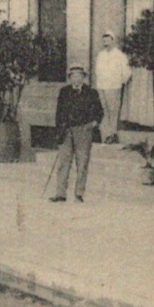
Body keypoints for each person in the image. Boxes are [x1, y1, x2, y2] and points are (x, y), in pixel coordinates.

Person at [49, 65, 104, 203]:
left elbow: (99, 112)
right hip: (66, 131)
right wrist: (59, 132)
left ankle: (79, 194)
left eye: (79, 75)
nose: (76, 78)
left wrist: (93, 124)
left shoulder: (91, 93)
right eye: (73, 76)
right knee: (64, 163)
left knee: (82, 163)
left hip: (84, 131)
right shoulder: (64, 92)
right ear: (69, 78)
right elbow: (59, 113)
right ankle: (60, 194)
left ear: (83, 77)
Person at [93, 31, 132, 144]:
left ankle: (112, 134)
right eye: (104, 40)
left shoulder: (120, 55)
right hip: (101, 86)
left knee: (113, 110)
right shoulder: (101, 55)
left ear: (113, 40)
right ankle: (106, 135)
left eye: (107, 39)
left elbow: (127, 72)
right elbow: (97, 70)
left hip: (114, 87)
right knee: (103, 110)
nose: (105, 42)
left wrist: (119, 81)